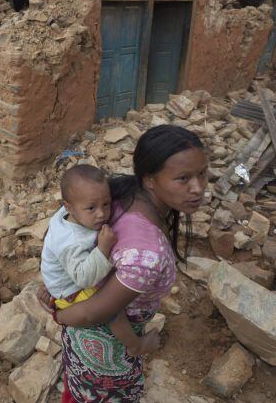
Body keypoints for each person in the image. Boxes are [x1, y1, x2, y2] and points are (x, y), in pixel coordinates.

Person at [41, 125, 208, 403]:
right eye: (183, 178)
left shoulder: (117, 195)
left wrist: (53, 287)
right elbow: (93, 313)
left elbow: (62, 233)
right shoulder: (144, 254)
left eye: (202, 173)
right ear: (150, 180)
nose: (198, 188)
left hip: (83, 344)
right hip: (105, 353)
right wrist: (60, 314)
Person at [41, 165, 146, 357]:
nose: (101, 213)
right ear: (68, 207)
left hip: (64, 274)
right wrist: (102, 248)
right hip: (71, 290)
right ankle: (135, 346)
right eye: (91, 208)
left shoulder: (72, 213)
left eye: (106, 204)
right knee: (112, 310)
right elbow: (84, 278)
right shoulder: (70, 242)